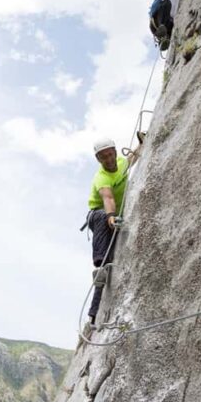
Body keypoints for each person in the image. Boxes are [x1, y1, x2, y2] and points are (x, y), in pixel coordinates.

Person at [84, 138, 141, 326]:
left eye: (110, 154)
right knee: (102, 218)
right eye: (103, 157)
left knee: (110, 260)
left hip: (115, 218)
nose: (108, 159)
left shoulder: (121, 163)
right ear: (98, 159)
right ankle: (99, 264)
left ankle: (93, 314)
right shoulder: (101, 178)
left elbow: (134, 156)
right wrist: (110, 217)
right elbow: (107, 198)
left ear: (115, 152)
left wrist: (143, 141)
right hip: (98, 216)